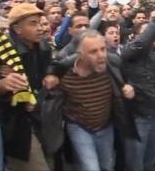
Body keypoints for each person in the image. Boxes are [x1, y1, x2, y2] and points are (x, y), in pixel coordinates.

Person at [57, 30, 135, 171]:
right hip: (79, 127)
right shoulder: (65, 74)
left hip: (105, 127)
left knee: (107, 166)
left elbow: (127, 81)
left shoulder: (113, 65)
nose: (101, 56)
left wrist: (129, 89)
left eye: (103, 49)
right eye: (93, 52)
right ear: (80, 54)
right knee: (91, 167)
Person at [0, 3, 58, 170]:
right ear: (17, 29)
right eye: (33, 23)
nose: (40, 28)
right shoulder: (4, 53)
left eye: (40, 22)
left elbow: (53, 65)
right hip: (17, 125)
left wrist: (51, 73)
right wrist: (2, 86)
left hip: (42, 119)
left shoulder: (44, 47)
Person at [121, 0, 155, 171]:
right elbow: (142, 43)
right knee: (136, 165)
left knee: (150, 161)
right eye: (149, 33)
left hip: (154, 115)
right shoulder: (130, 53)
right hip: (137, 117)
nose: (154, 36)